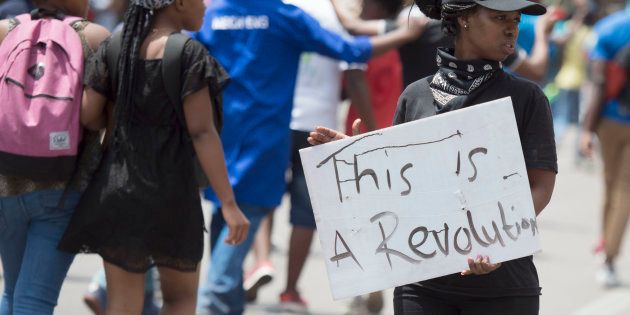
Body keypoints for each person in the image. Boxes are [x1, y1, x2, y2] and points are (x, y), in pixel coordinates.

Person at [308, 0, 558, 314]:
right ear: (464, 19)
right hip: (422, 289)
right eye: (499, 18)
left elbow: (541, 187)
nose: (511, 27)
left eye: (516, 20)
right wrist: (358, 158)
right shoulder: (414, 96)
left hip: (504, 289)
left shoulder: (527, 97)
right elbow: (398, 188)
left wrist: (498, 243)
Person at [192, 0, 425, 313]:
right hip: (262, 144)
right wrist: (405, 36)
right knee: (228, 260)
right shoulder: (283, 16)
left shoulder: (214, 13)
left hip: (218, 140)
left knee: (227, 219)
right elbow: (350, 50)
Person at [57, 1, 250, 314]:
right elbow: (202, 132)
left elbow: (88, 116)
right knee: (180, 299)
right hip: (172, 194)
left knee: (122, 304)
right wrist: (228, 203)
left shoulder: (115, 46)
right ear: (179, 4)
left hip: (118, 189)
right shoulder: (188, 53)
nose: (205, 6)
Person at [0, 0, 110, 314]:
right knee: (34, 299)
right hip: (61, 190)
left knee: (13, 290)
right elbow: (91, 117)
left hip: (4, 183)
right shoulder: (94, 36)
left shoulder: (5, 30)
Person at [579, 7, 630, 288]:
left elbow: (598, 81)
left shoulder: (610, 28)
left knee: (610, 186)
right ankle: (609, 257)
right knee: (625, 190)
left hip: (611, 119)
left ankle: (607, 246)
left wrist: (587, 129)